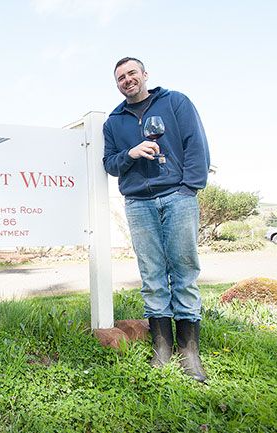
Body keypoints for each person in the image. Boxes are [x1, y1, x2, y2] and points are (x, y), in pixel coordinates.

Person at [102, 57, 210, 382]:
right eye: (120, 77)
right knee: (151, 275)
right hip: (138, 202)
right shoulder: (113, 122)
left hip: (178, 197)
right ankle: (162, 350)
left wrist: (189, 186)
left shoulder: (175, 102)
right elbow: (110, 163)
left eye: (132, 73)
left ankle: (189, 353)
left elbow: (195, 145)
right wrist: (130, 154)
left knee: (184, 271)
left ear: (144, 75)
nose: (127, 79)